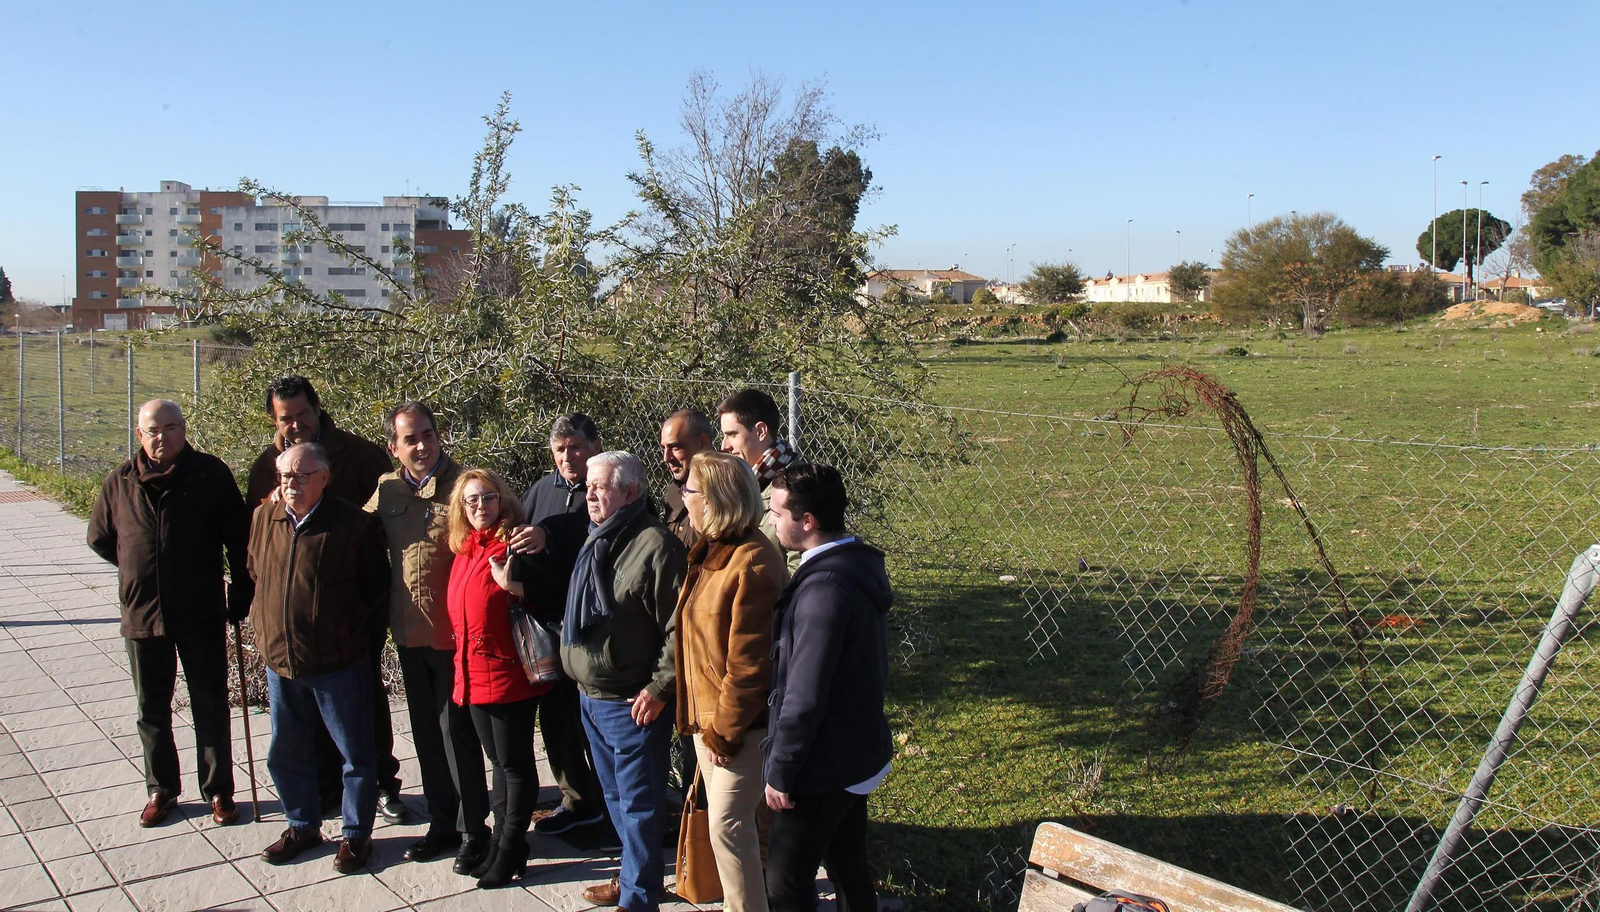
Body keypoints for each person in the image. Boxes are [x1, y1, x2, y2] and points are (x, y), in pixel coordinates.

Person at [511, 451, 687, 911]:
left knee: (639, 805)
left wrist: (659, 686)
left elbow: (679, 627)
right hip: (590, 696)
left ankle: (639, 896)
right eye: (588, 486)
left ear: (629, 492)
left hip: (631, 703)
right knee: (615, 801)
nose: (588, 495)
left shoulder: (655, 545)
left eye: (600, 487)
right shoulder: (598, 536)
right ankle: (632, 875)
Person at [243, 375, 407, 824]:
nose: (295, 424)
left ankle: (382, 787)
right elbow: (256, 552)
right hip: (291, 635)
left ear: (317, 409)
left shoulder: (359, 456)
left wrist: (363, 617)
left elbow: (385, 537)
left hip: (350, 625)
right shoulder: (265, 467)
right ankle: (321, 795)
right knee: (298, 726)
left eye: (301, 414)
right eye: (284, 418)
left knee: (362, 716)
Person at [87, 399, 252, 828]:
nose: (163, 437)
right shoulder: (119, 481)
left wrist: (242, 589)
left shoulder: (211, 474)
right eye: (153, 430)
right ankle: (161, 788)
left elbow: (238, 537)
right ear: (140, 435)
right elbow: (102, 539)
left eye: (171, 427)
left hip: (201, 610)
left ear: (184, 429)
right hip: (143, 613)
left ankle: (218, 790)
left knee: (210, 703)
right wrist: (137, 571)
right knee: (151, 708)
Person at [248, 443, 390, 873]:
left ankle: (355, 835)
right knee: (285, 750)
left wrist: (345, 632)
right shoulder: (263, 517)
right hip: (280, 659)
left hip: (337, 661)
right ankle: (302, 825)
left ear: (324, 478)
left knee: (355, 753)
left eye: (301, 476)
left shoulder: (352, 524)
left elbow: (374, 587)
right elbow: (256, 570)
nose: (291, 484)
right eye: (285, 476)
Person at [762, 463, 894, 912]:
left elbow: (804, 694)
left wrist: (781, 770)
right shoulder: (855, 565)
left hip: (819, 766)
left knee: (784, 883)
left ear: (808, 522)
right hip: (854, 753)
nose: (773, 522)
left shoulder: (824, 591)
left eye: (778, 513)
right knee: (848, 864)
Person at [364, 401, 488, 870]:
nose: (421, 445)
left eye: (427, 435)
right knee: (426, 737)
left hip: (457, 638)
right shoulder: (387, 489)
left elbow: (501, 526)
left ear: (439, 436)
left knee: (458, 736)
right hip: (410, 635)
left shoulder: (466, 487)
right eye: (410, 439)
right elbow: (355, 530)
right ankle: (442, 824)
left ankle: (475, 830)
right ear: (394, 447)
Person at [674, 451, 785, 912]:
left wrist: (724, 730)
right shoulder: (713, 549)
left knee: (728, 827)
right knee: (726, 832)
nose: (683, 497)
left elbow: (749, 664)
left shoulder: (753, 561)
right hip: (708, 723)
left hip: (739, 729)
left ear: (716, 500)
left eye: (691, 491)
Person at [444, 469, 549, 888]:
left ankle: (508, 848)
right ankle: (507, 845)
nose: (480, 507)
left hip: (508, 675)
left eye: (488, 498)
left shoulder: (516, 545)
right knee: (499, 765)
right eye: (471, 500)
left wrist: (518, 583)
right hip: (471, 676)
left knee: (515, 765)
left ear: (502, 500)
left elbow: (549, 592)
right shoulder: (465, 550)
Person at [516, 413, 609, 842]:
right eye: (559, 449)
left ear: (594, 446)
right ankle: (577, 800)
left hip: (595, 632)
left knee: (594, 725)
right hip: (549, 628)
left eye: (575, 447)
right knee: (556, 721)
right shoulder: (540, 490)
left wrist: (550, 540)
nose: (568, 457)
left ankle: (606, 806)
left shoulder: (611, 487)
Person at [716, 388, 800, 574]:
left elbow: (798, 572)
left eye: (732, 434)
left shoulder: (796, 491)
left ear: (761, 431)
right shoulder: (737, 487)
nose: (724, 446)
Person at [658, 409, 718, 550]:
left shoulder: (726, 488)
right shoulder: (674, 490)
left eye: (675, 447)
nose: (666, 458)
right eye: (664, 448)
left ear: (703, 442)